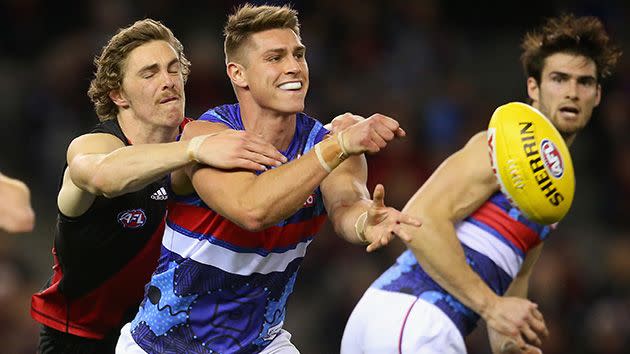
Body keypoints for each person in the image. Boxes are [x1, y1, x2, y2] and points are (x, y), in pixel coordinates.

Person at [116, 4, 420, 354]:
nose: (294, 67)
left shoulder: (327, 143)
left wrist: (368, 221)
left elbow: (346, 206)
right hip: (161, 346)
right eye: (275, 58)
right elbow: (252, 209)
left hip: (261, 344)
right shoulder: (207, 138)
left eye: (298, 54)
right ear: (238, 74)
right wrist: (338, 147)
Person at [341, 14, 622, 354]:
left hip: (405, 321)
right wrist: (490, 306)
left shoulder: (551, 189)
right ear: (533, 86)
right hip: (415, 315)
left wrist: (510, 345)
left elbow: (513, 285)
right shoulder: (501, 147)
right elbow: (419, 220)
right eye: (559, 79)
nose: (572, 93)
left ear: (598, 94)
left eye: (585, 82)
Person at [30, 18, 287, 354]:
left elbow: (275, 159)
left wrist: (331, 143)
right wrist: (193, 150)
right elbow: (103, 176)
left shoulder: (205, 137)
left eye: (173, 69)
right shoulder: (93, 146)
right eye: (149, 73)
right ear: (118, 94)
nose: (168, 81)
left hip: (164, 336)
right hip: (79, 337)